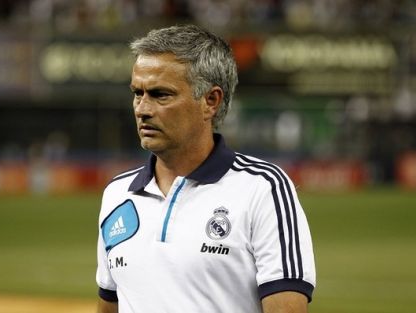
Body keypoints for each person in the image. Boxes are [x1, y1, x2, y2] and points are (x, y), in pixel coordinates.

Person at [96, 24, 316, 313]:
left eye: (161, 94)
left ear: (210, 101)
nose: (142, 109)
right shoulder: (117, 194)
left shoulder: (263, 189)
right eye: (138, 93)